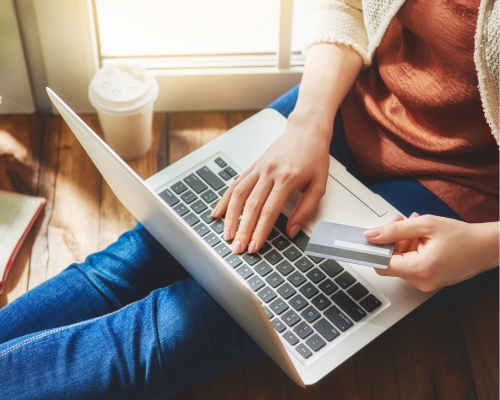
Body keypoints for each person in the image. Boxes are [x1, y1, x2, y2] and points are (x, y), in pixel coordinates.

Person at [0, 0, 498, 398]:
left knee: (174, 327)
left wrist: (481, 249)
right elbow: (348, 5)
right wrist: (309, 120)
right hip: (346, 106)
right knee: (136, 256)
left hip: (466, 201)